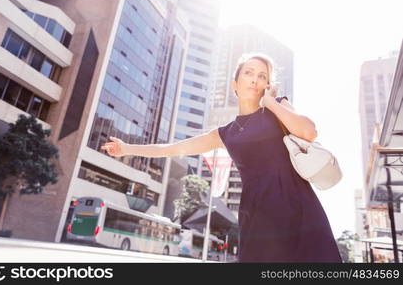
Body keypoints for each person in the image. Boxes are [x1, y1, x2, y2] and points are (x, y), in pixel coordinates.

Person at [101, 52, 343, 263]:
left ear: (268, 85)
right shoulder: (225, 133)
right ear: (234, 84)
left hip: (298, 206)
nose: (255, 79)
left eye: (262, 76)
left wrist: (271, 103)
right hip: (258, 216)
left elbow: (308, 131)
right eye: (249, 72)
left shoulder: (277, 108)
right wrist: (128, 149)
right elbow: (175, 148)